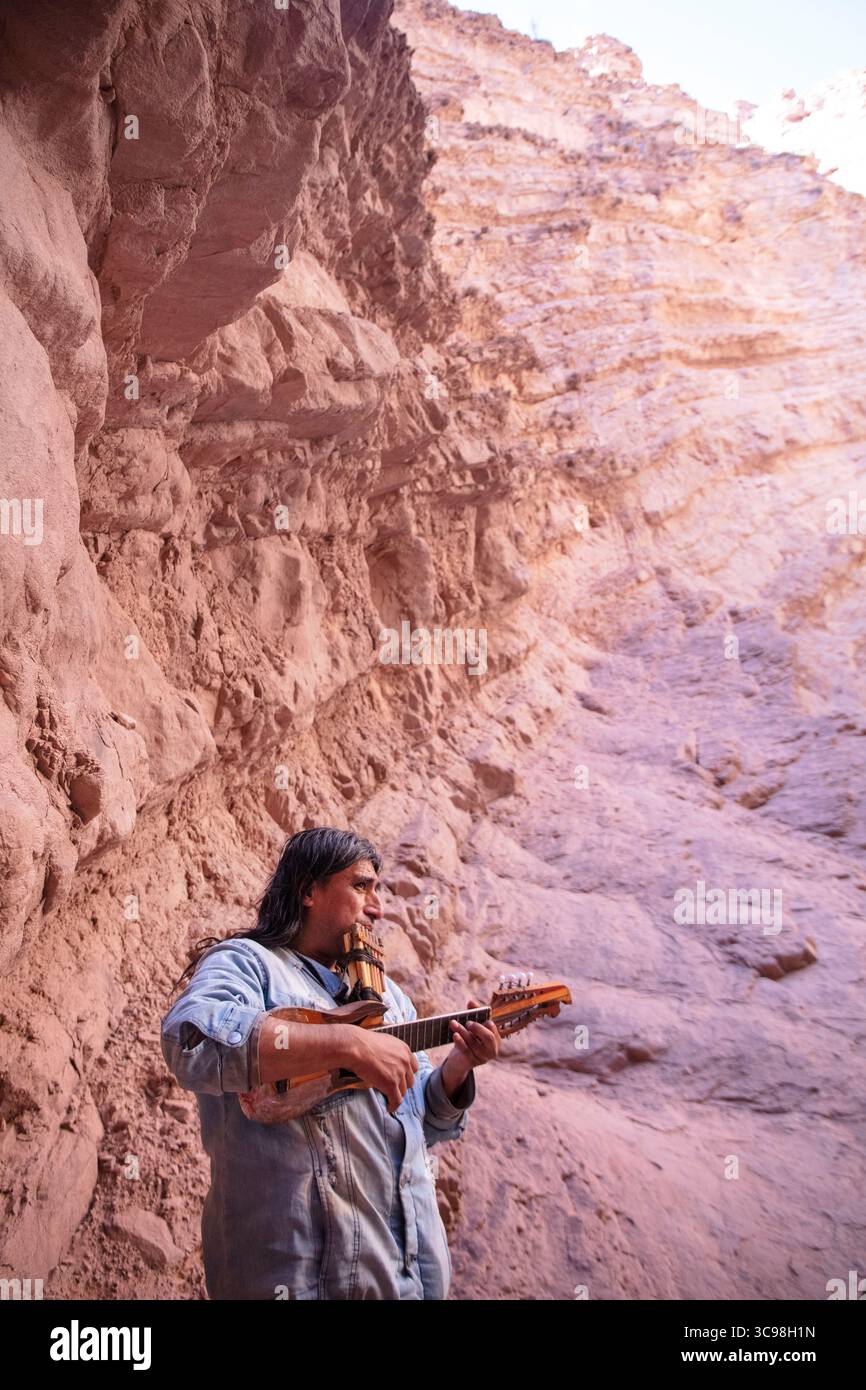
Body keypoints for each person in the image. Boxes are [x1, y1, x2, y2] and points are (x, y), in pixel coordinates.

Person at [160, 826, 501, 1300]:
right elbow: (191, 1041)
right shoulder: (250, 964)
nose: (377, 907)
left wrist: (459, 1067)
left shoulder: (391, 1000)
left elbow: (421, 1124)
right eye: (361, 886)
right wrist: (346, 1044)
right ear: (308, 890)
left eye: (378, 891)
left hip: (407, 1284)